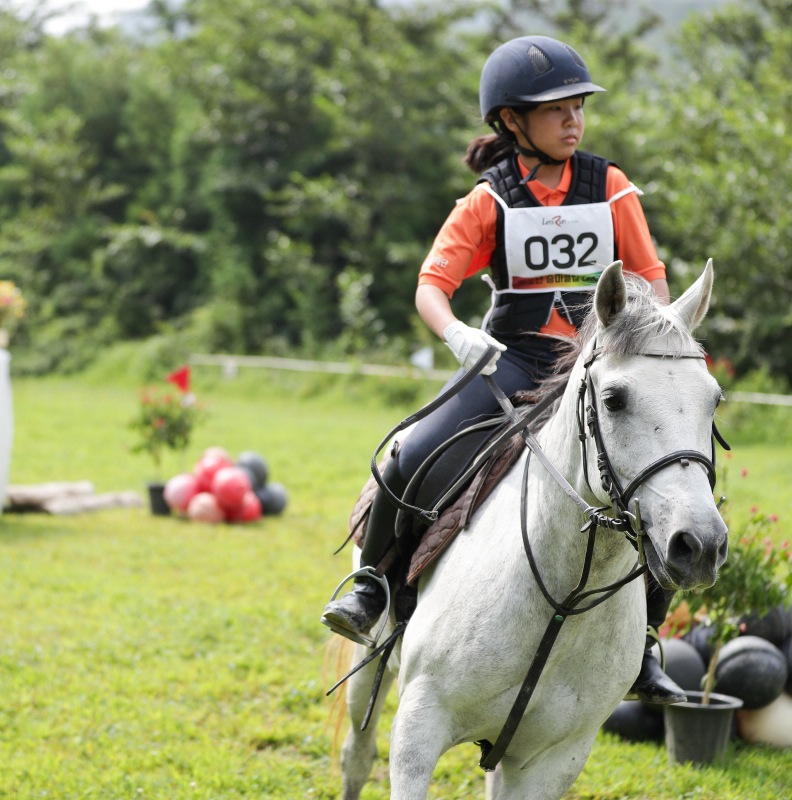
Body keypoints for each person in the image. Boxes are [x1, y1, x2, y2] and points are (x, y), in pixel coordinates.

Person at [321, 35, 686, 704]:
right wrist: (458, 335)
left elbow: (652, 279)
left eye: (578, 107)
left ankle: (646, 641)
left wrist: (657, 352)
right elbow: (431, 286)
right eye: (556, 111)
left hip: (598, 368)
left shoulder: (611, 186)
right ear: (512, 121)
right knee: (408, 454)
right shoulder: (488, 200)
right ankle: (371, 588)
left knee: (672, 483)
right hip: (512, 363)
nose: (573, 121)